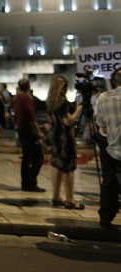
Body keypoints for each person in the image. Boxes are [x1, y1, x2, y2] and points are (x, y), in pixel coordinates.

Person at [46, 75, 85, 210]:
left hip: (55, 135)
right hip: (65, 137)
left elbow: (51, 120)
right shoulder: (63, 102)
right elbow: (68, 121)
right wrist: (79, 109)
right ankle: (70, 200)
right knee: (68, 167)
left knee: (57, 165)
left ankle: (56, 197)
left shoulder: (50, 101)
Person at [93, 67, 121, 230]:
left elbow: (100, 126)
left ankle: (106, 218)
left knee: (109, 183)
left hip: (111, 148)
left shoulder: (103, 98)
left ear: (113, 81)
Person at [13, 78, 46, 192]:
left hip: (21, 129)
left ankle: (25, 183)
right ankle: (31, 182)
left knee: (26, 157)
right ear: (29, 87)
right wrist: (39, 131)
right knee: (38, 158)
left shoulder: (16, 98)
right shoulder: (26, 98)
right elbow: (31, 117)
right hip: (28, 130)